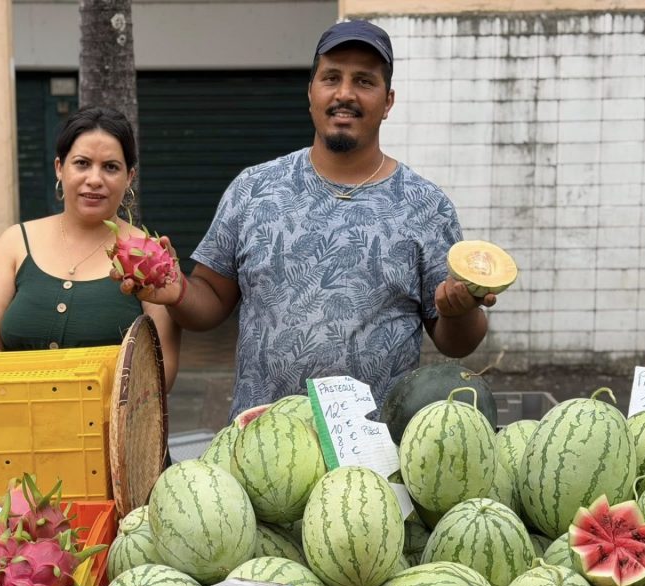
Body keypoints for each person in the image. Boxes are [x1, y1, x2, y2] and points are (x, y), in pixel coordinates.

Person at [115, 19, 494, 418]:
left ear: (388, 101)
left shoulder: (426, 206)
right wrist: (176, 291)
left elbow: (456, 342)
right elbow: (210, 300)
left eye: (364, 81)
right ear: (311, 92)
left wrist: (461, 311)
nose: (345, 93)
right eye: (331, 77)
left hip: (374, 451)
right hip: (262, 444)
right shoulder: (254, 189)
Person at [0, 106, 180, 391]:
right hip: (15, 422)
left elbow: (162, 366)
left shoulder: (149, 256)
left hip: (109, 431)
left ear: (129, 177)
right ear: (60, 168)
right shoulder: (15, 242)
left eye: (110, 167)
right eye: (82, 163)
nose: (94, 179)